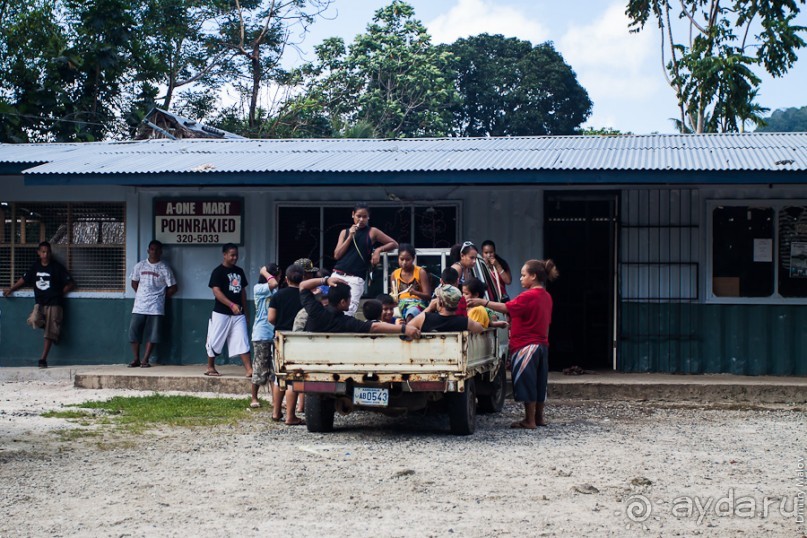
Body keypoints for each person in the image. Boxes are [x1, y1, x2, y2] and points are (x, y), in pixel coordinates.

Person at [467, 259, 559, 430]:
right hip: (541, 344)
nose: (520, 279)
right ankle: (539, 418)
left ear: (533, 276)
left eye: (523, 275)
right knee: (539, 382)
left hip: (525, 345)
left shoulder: (528, 296)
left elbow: (507, 307)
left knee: (527, 382)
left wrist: (483, 302)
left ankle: (529, 420)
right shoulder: (546, 296)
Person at [2, 241, 75, 368]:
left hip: (54, 303)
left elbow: (70, 283)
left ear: (50, 253)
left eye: (47, 252)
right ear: (38, 253)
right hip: (40, 303)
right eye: (43, 252)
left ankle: (43, 359)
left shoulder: (56, 267)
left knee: (49, 332)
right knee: (33, 320)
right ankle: (54, 332)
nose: (45, 254)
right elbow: (24, 279)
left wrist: (58, 294)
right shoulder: (35, 267)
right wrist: (11, 289)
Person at [300, 275, 421, 339]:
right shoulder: (345, 322)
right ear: (342, 302)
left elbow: (303, 286)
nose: (351, 300)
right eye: (349, 298)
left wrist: (325, 280)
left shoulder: (315, 311)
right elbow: (374, 326)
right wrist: (404, 329)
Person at [333, 203, 398, 317]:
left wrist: (378, 250)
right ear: (353, 215)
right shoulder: (345, 232)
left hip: (356, 277)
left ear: (368, 217)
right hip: (339, 273)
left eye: (364, 216)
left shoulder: (372, 231)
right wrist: (350, 237)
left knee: (350, 309)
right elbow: (337, 255)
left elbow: (393, 243)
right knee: (333, 305)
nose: (361, 219)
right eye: (358, 216)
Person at [127, 240, 177, 368]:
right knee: (134, 332)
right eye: (152, 249)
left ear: (161, 252)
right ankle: (136, 359)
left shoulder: (165, 268)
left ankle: (145, 360)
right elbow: (134, 282)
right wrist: (141, 294)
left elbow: (173, 287)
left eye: (157, 250)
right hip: (139, 305)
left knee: (153, 334)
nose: (154, 252)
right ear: (148, 250)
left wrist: (161, 297)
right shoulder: (140, 266)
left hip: (156, 307)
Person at [204, 243, 251, 378]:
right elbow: (216, 291)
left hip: (238, 313)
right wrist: (231, 305)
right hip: (221, 312)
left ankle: (249, 369)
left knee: (242, 339)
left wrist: (245, 312)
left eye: (236, 255)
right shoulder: (217, 272)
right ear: (224, 255)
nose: (235, 258)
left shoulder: (239, 271)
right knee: (215, 339)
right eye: (232, 255)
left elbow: (243, 292)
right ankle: (210, 366)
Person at [268, 263, 305, 425]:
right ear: (302, 278)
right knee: (293, 378)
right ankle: (291, 416)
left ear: (286, 279)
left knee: (279, 377)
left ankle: (276, 413)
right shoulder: (306, 296)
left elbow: (271, 318)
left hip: (279, 337)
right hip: (298, 339)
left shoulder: (277, 296)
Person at [250, 263, 281, 409]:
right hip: (261, 333)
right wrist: (265, 272)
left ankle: (275, 400)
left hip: (273, 332)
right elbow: (273, 282)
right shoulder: (259, 288)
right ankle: (254, 397)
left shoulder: (276, 290)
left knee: (273, 369)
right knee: (259, 367)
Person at [409, 285, 484, 334]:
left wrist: (429, 308)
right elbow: (480, 329)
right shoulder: (465, 321)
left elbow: (408, 327)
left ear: (440, 302)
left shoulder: (424, 318)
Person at [390, 243, 431, 316]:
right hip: (400, 305)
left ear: (413, 259)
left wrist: (416, 293)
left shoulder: (420, 272)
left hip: (418, 304)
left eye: (408, 259)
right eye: (401, 259)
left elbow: (428, 296)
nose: (404, 263)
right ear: (398, 258)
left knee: (411, 312)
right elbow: (394, 296)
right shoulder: (394, 274)